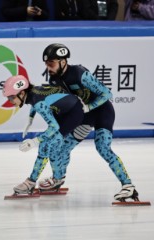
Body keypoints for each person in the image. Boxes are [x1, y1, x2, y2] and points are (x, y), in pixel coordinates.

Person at [38, 43, 138, 202]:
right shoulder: (54, 80)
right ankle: (57, 179)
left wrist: (90, 106)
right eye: (46, 64)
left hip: (102, 112)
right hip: (84, 116)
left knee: (102, 147)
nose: (48, 67)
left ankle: (128, 186)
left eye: (51, 63)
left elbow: (107, 93)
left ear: (63, 62)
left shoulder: (79, 74)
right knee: (61, 147)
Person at [2, 75, 84, 194]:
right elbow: (35, 102)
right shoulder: (32, 92)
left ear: (22, 93)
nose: (10, 101)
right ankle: (48, 179)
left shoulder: (37, 102)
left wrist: (35, 141)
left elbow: (53, 126)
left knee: (49, 145)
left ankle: (42, 181)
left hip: (73, 114)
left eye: (11, 97)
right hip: (64, 110)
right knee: (48, 146)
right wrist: (30, 118)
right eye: (9, 98)